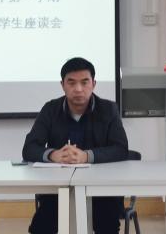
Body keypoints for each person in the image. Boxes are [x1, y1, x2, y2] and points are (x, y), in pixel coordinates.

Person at [22, 57, 130, 234]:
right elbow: (29, 147)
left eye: (84, 82)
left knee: (107, 227)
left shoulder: (108, 109)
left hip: (101, 191)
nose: (78, 89)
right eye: (71, 83)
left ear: (94, 84)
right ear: (62, 85)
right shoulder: (51, 109)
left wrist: (86, 156)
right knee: (40, 227)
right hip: (58, 191)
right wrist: (53, 155)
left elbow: (121, 148)